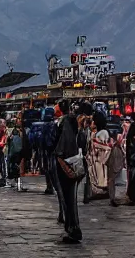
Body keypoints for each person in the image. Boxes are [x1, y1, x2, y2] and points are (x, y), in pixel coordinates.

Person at [53, 100, 82, 244]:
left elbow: (62, 146)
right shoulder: (72, 121)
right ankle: (72, 227)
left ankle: (73, 229)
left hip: (66, 163)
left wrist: (60, 158)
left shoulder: (64, 123)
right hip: (73, 161)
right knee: (70, 197)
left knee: (68, 198)